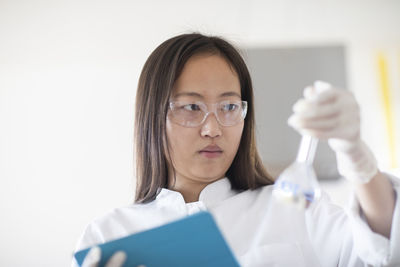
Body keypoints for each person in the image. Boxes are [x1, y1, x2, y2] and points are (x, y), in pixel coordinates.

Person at [72, 33, 399, 267]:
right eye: (191, 107)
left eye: (228, 106)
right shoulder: (110, 235)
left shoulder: (292, 209)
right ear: (152, 117)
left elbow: (381, 250)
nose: (213, 128)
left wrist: (355, 155)